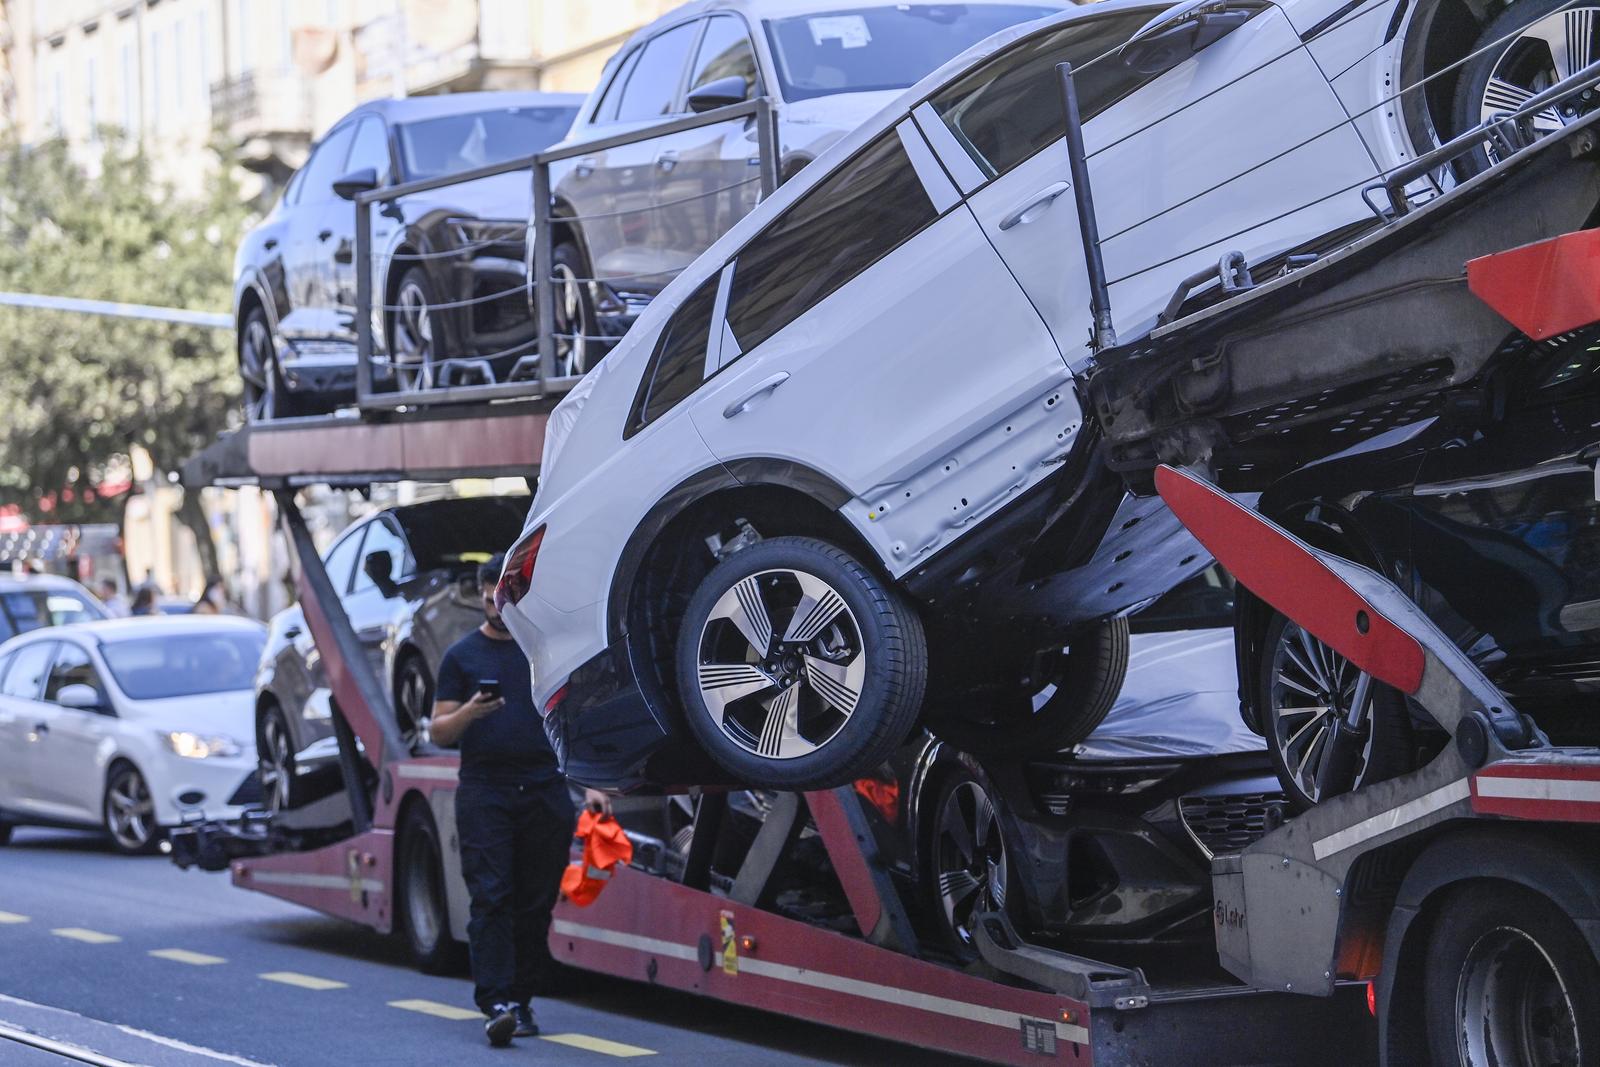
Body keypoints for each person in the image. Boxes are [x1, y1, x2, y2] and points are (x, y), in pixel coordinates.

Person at [428, 553, 576, 1048]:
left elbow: (573, 717)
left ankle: (523, 1000)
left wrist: (595, 787)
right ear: (480, 594)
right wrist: (471, 711)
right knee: (491, 895)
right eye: (489, 589)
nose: (496, 599)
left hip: (544, 788)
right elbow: (438, 730)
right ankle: (496, 1002)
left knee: (535, 901)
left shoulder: (544, 651)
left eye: (504, 588)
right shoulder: (461, 657)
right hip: (485, 791)